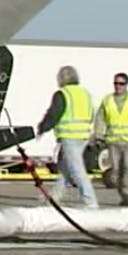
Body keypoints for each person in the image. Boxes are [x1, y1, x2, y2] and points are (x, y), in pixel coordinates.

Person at [35, 65, 98, 208]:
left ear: (62, 78)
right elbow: (92, 113)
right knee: (65, 169)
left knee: (77, 170)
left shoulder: (63, 94)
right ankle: (54, 198)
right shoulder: (85, 93)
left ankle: (91, 203)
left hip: (70, 137)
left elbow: (54, 114)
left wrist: (42, 128)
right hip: (83, 136)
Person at [93, 72, 128, 207]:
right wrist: (99, 136)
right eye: (116, 83)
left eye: (121, 83)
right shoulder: (107, 100)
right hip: (114, 142)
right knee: (116, 172)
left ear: (126, 85)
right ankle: (123, 197)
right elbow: (100, 118)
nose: (118, 86)